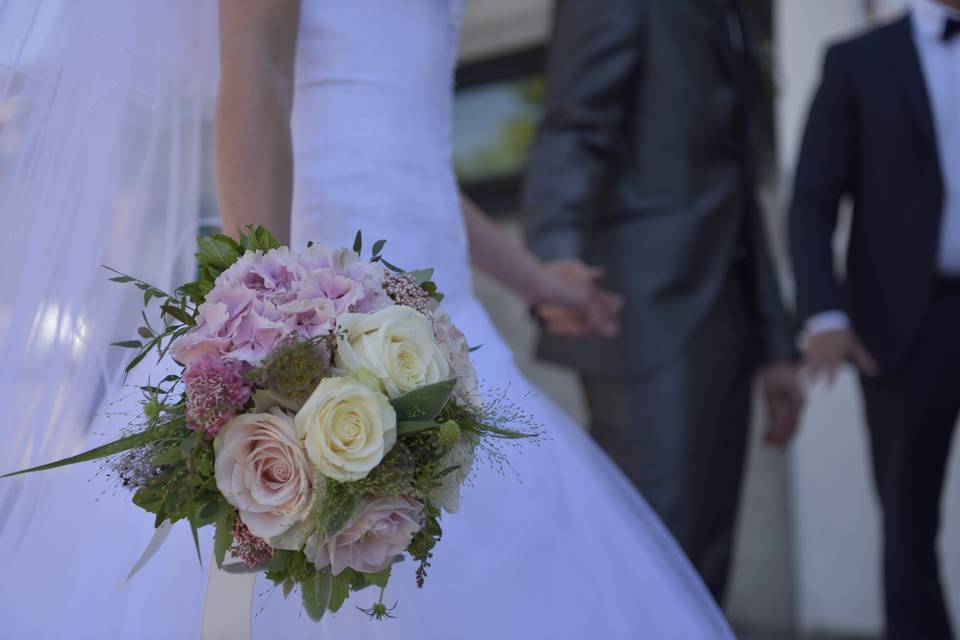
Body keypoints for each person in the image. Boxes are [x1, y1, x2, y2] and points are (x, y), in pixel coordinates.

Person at [0, 1, 733, 638]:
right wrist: (266, 310)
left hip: (442, 322)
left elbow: (421, 166)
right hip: (319, 298)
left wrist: (539, 281)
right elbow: (255, 71)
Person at [523, 0, 803, 603]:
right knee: (654, 559)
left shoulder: (727, 11)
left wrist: (776, 343)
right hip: (642, 313)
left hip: (724, 313)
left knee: (705, 560)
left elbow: (736, 186)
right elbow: (573, 126)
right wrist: (557, 260)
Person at [789, 1, 960, 637]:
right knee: (909, 525)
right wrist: (824, 311)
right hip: (905, 324)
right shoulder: (859, 60)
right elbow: (811, 198)